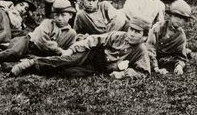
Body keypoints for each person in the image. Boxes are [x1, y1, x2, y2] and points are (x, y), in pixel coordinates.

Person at [0, 0, 77, 76]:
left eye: (63, 15)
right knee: (13, 52)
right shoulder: (48, 23)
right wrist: (59, 50)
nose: (59, 18)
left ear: (71, 16)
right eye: (57, 15)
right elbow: (42, 41)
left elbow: (70, 50)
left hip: (38, 54)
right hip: (28, 42)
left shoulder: (71, 33)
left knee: (21, 63)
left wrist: (66, 52)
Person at [10, 16, 152, 79]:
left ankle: (23, 66)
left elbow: (144, 72)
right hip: (94, 54)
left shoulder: (141, 50)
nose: (132, 34)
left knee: (69, 72)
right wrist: (72, 49)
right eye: (131, 29)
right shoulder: (118, 36)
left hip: (99, 67)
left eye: (137, 32)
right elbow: (93, 40)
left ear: (145, 37)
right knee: (67, 61)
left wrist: (123, 74)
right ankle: (31, 63)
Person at [149, 0, 194, 75]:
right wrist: (155, 67)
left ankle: (186, 51)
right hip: (148, 51)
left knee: (183, 51)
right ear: (170, 16)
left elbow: (181, 57)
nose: (178, 19)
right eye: (176, 16)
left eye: (182, 18)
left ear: (185, 21)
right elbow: (150, 48)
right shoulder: (158, 27)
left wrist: (179, 66)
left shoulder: (181, 36)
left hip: (163, 54)